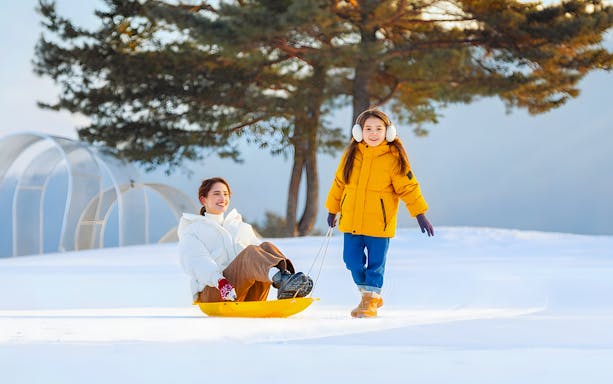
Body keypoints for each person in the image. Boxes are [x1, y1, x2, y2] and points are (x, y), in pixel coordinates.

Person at [325, 108, 434, 318]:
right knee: (351, 261)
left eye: (378, 128)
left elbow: (408, 187)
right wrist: (332, 209)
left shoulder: (394, 158)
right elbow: (339, 183)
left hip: (379, 224)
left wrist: (420, 213)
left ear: (388, 131)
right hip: (352, 221)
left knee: (375, 265)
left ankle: (370, 301)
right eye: (368, 129)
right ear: (359, 131)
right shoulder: (351, 154)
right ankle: (371, 296)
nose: (373, 133)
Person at [178, 177, 313, 303]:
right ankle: (282, 280)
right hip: (215, 292)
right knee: (249, 253)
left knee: (266, 247)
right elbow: (198, 262)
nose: (222, 198)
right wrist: (219, 281)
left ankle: (288, 283)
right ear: (203, 200)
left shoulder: (239, 226)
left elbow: (260, 258)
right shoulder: (193, 230)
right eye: (216, 194)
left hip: (243, 292)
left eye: (225, 194)